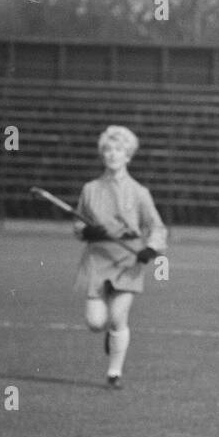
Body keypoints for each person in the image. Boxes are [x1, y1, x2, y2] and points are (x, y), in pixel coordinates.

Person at [73, 125, 166, 388]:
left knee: (117, 318)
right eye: (108, 150)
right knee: (95, 322)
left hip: (128, 259)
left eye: (119, 150)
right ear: (102, 155)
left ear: (128, 156)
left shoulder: (139, 192)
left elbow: (156, 226)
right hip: (98, 258)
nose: (112, 155)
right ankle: (111, 337)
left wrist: (151, 247)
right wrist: (87, 231)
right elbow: (78, 226)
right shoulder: (90, 189)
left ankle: (114, 373)